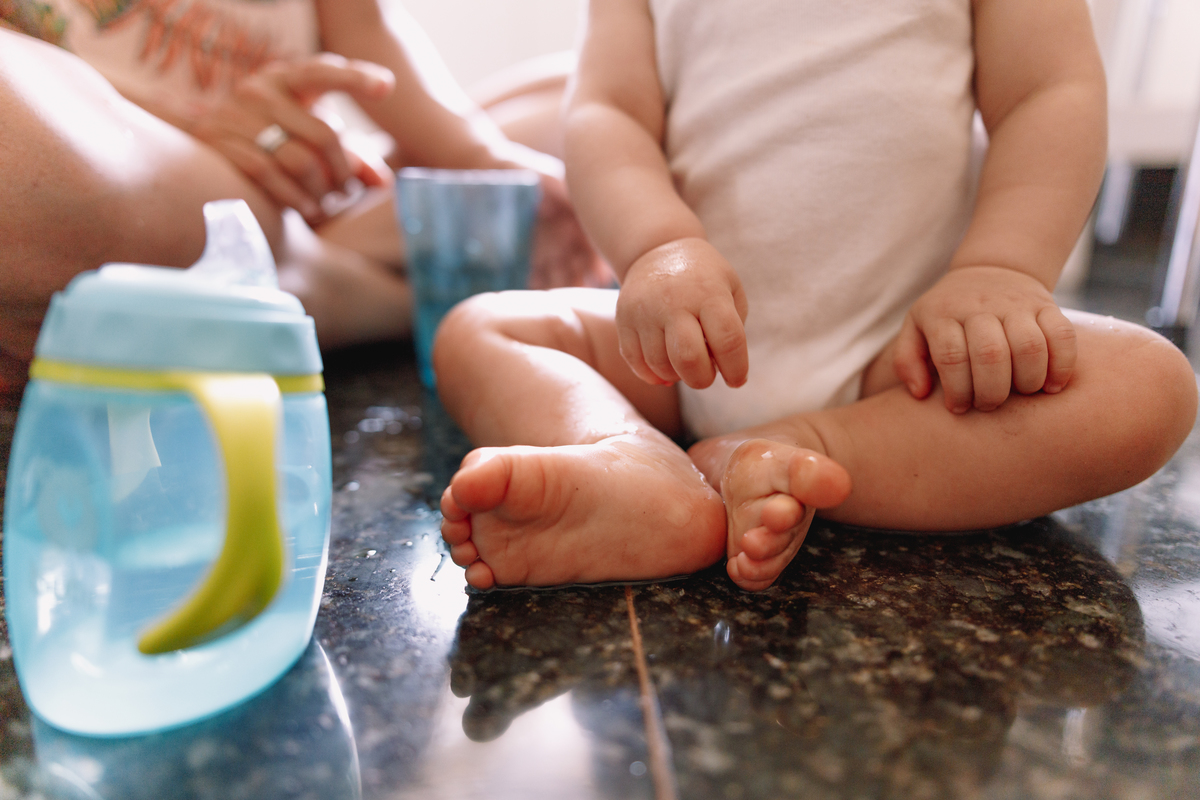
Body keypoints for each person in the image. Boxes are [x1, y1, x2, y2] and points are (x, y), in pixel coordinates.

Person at [435, 0, 1199, 591]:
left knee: (1146, 386)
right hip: (681, 353)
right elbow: (608, 113)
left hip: (900, 367)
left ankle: (803, 449)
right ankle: (631, 465)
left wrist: (999, 267)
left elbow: (1048, 91)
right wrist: (657, 247)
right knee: (479, 329)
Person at [0, 0, 601, 392]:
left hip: (300, 194)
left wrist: (480, 157)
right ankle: (392, 293)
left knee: (578, 98)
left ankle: (328, 265)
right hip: (145, 175)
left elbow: (368, 28)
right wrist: (194, 142)